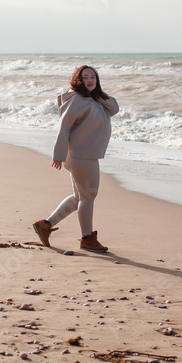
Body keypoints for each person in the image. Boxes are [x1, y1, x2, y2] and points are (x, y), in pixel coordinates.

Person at [33, 65, 119, 252]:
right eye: (85, 77)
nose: (89, 80)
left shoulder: (93, 99)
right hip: (81, 155)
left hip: (84, 155)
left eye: (93, 77)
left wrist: (97, 93)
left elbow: (114, 108)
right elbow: (64, 127)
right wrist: (58, 155)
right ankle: (87, 239)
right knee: (88, 197)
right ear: (77, 80)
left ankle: (45, 225)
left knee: (79, 197)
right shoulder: (76, 100)